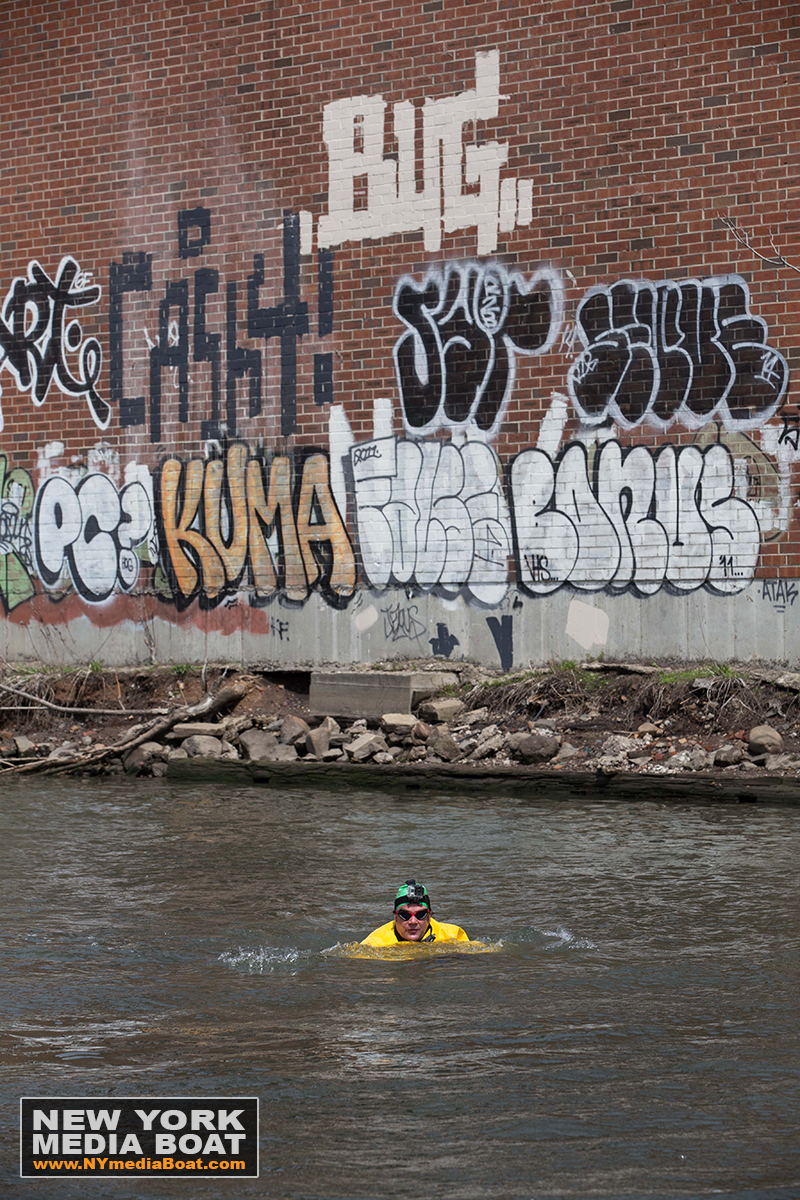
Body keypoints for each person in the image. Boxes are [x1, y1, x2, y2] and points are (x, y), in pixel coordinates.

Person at [361, 879, 470, 946]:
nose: (413, 921)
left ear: (429, 917)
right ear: (395, 917)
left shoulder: (453, 936)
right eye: (405, 915)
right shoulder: (375, 944)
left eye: (420, 915)